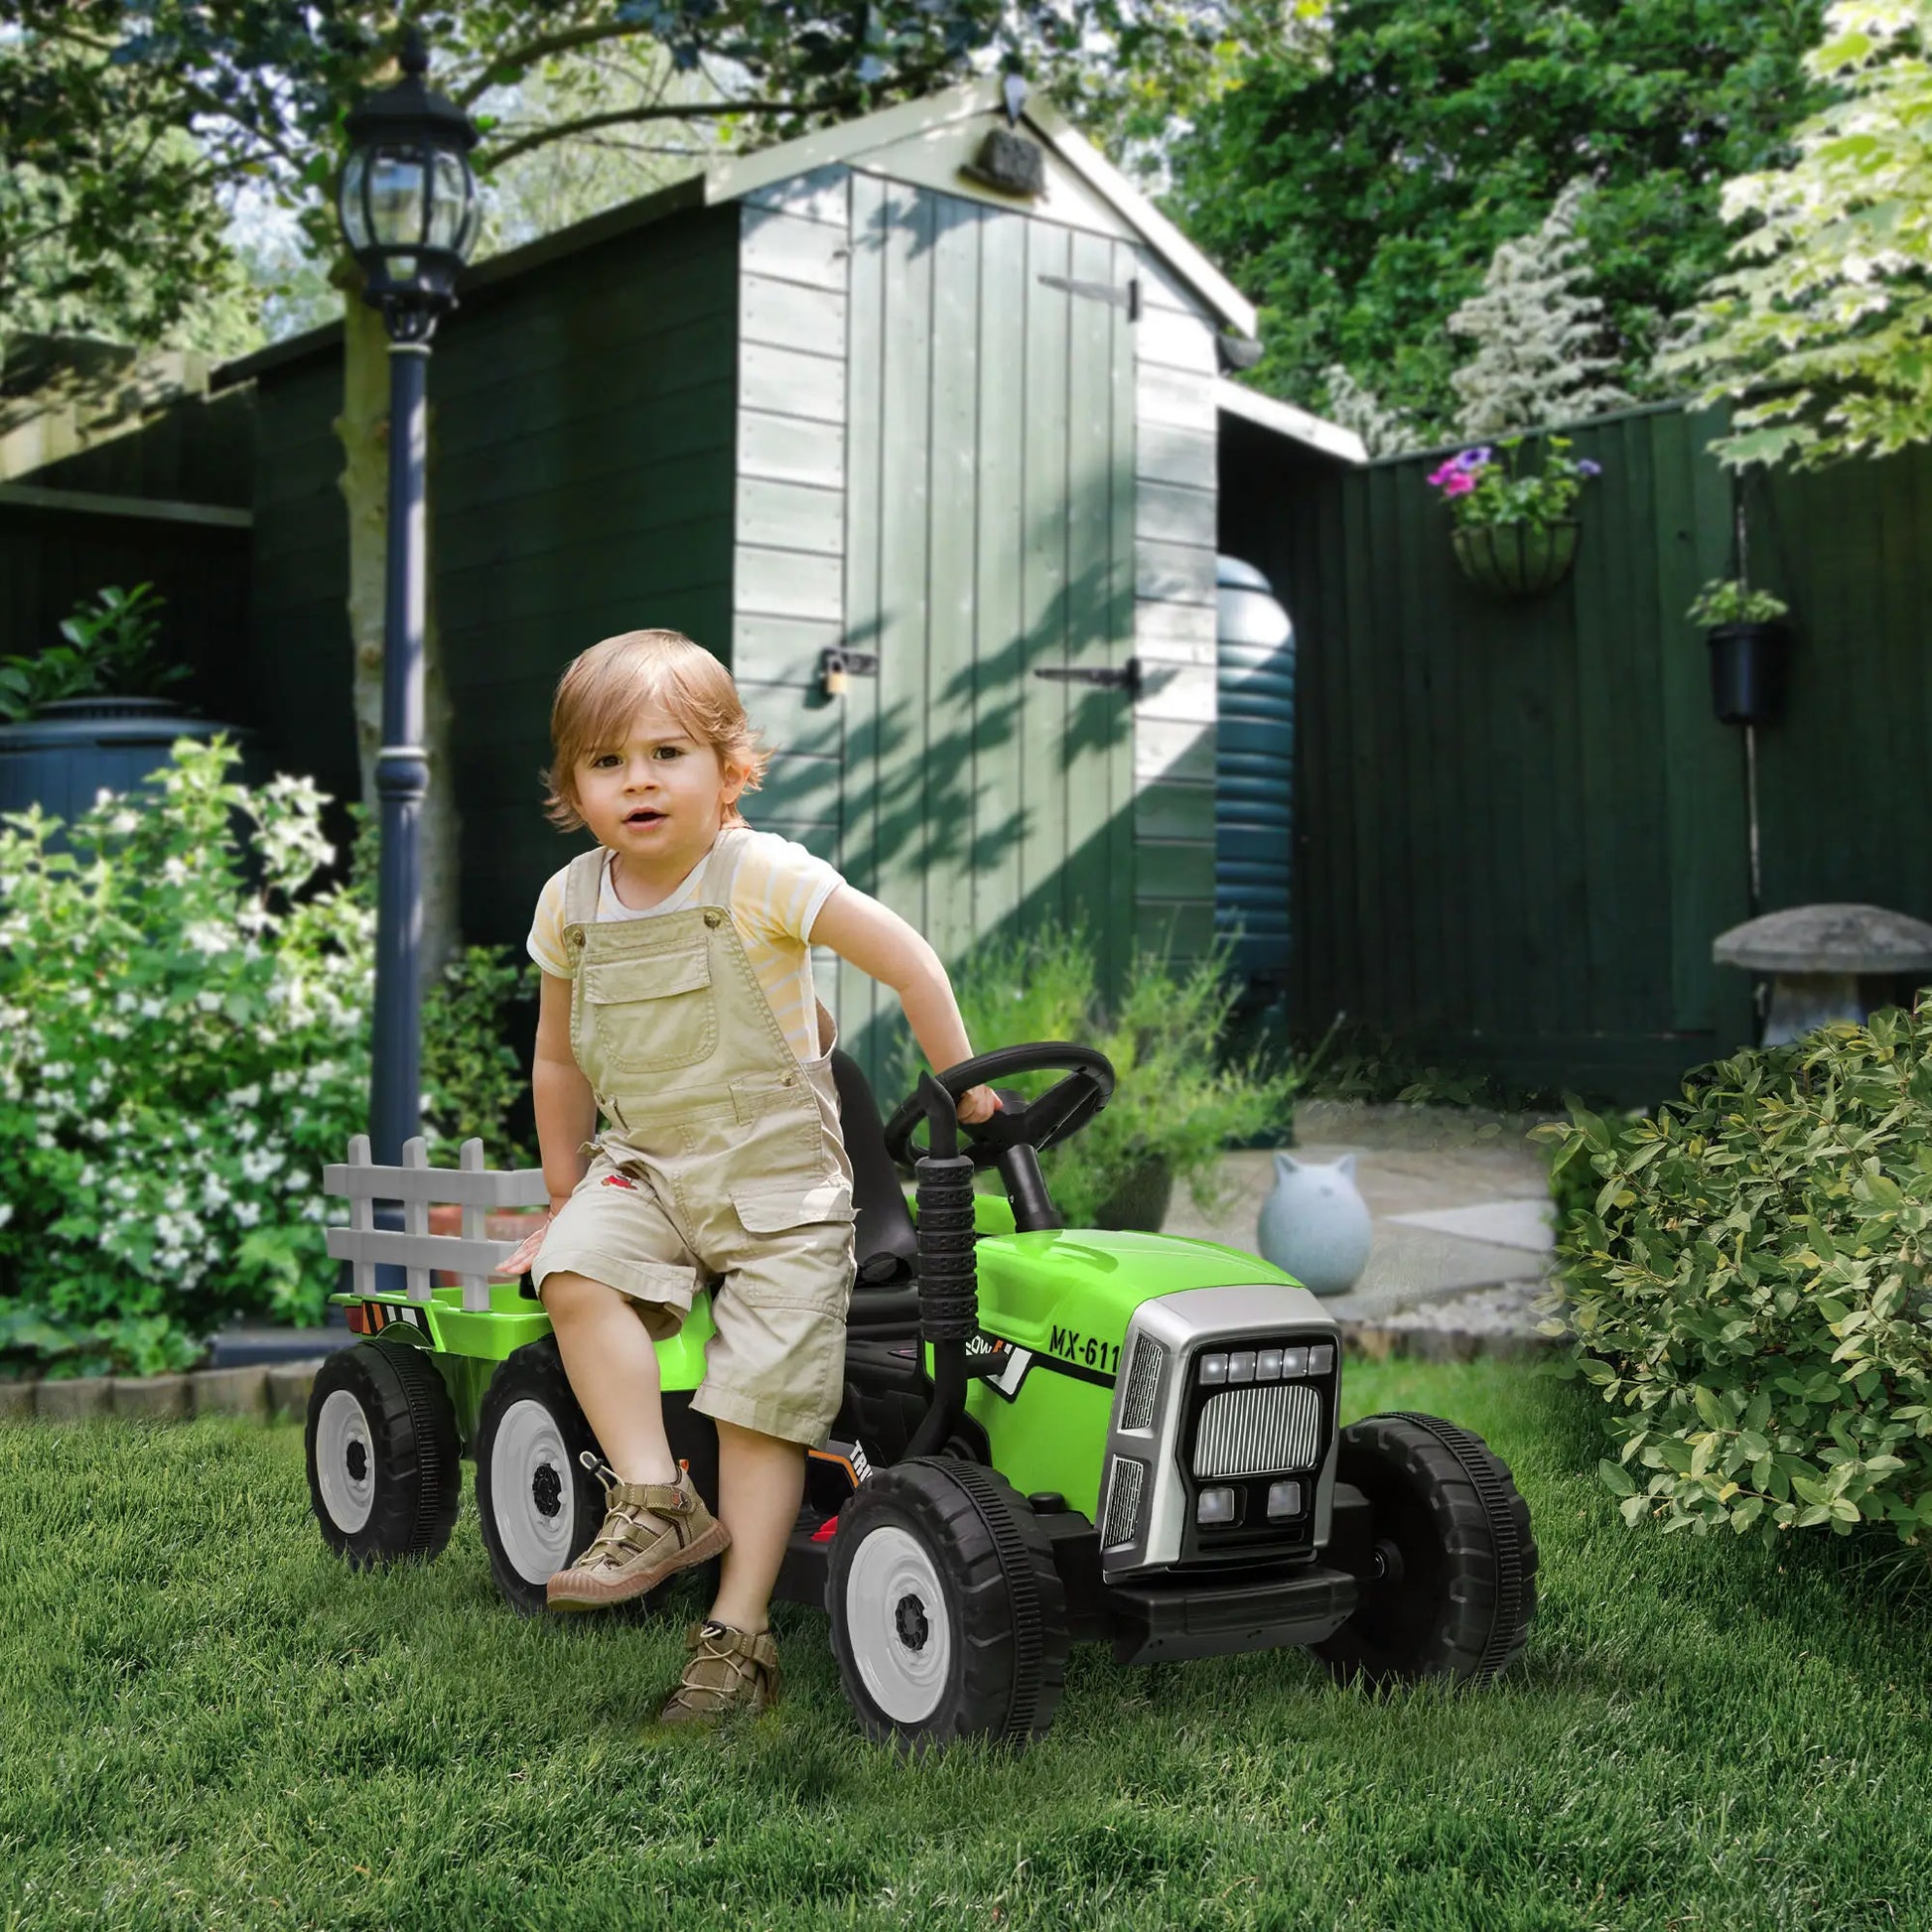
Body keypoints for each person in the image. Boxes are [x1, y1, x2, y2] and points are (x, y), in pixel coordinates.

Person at [504, 628, 999, 1726]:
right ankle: (652, 1496)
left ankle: (737, 1633)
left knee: (760, 1401)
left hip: (780, 1181)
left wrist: (962, 1086)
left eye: (667, 752)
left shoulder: (761, 871)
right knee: (574, 1271)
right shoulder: (569, 902)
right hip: (648, 1163)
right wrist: (560, 1197)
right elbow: (555, 1056)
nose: (636, 779)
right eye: (605, 761)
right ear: (572, 788)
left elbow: (906, 957)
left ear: (728, 772)